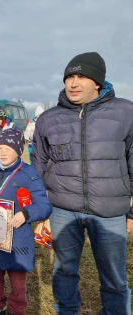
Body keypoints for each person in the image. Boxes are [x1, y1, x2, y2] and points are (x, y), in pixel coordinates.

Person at [32, 52, 133, 315]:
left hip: (110, 212)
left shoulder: (126, 112)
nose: (74, 83)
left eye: (82, 76)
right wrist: (40, 210)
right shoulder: (48, 119)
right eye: (70, 77)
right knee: (64, 271)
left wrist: (131, 211)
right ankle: (66, 310)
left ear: (97, 82)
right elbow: (38, 167)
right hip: (62, 209)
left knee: (114, 278)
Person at [0, 128, 52, 315]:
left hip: (18, 241)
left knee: (18, 284)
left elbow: (45, 205)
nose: (2, 153)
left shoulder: (29, 174)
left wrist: (26, 213)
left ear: (19, 149)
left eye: (8, 148)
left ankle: (16, 310)